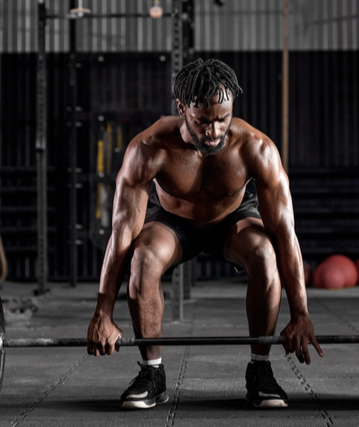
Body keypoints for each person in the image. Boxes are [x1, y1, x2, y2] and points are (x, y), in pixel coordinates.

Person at [86, 58, 322, 409]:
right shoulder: (150, 148)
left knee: (264, 254)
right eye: (202, 121)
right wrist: (102, 312)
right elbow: (121, 232)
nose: (213, 130)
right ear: (182, 108)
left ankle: (261, 371)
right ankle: (152, 374)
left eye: (222, 119)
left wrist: (301, 313)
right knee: (143, 257)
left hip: (233, 221)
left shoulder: (255, 149)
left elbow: (285, 232)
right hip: (172, 221)